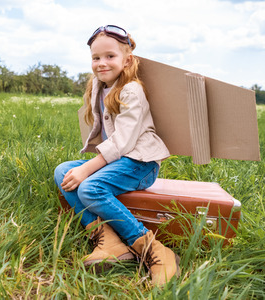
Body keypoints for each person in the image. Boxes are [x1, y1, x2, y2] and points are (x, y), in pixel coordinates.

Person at [54, 25, 180, 286]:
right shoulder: (100, 87)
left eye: (110, 56)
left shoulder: (132, 90)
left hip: (140, 164)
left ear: (127, 60)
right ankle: (110, 242)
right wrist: (83, 166)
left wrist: (88, 168)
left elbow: (122, 142)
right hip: (121, 159)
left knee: (90, 187)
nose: (101, 63)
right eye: (95, 58)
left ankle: (154, 250)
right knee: (62, 171)